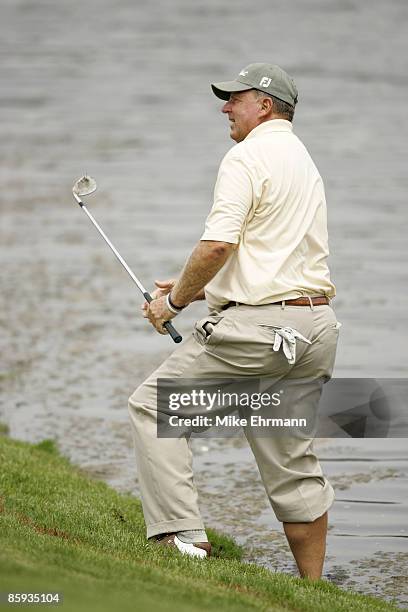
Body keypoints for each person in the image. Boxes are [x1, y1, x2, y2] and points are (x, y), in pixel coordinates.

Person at [128, 63, 340, 579]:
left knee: (155, 408)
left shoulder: (245, 156)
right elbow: (268, 258)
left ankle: (184, 543)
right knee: (290, 460)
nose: (225, 107)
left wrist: (173, 304)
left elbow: (220, 243)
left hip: (261, 335)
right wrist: (195, 290)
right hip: (314, 329)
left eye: (234, 99)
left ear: (265, 105)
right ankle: (314, 589)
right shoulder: (302, 159)